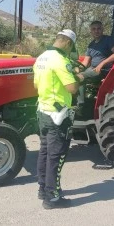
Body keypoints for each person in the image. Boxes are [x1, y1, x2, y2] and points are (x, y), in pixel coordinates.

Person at [33, 29, 85, 210]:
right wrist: (80, 77)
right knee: (57, 156)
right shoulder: (61, 61)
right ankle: (52, 198)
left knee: (45, 152)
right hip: (58, 115)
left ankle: (43, 189)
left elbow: (36, 85)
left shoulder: (41, 58)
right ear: (69, 43)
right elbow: (71, 88)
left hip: (42, 111)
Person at [76, 21, 114, 106]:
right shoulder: (91, 45)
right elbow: (85, 62)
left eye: (99, 28)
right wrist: (77, 68)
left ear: (102, 30)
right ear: (91, 31)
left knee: (79, 77)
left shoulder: (108, 40)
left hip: (104, 70)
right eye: (94, 29)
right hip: (93, 69)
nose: (96, 31)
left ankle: (80, 106)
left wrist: (102, 63)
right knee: (72, 75)